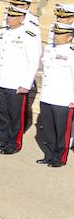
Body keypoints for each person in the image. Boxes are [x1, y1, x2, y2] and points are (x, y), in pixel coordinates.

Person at [0, 7, 41, 155]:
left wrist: (26, 84)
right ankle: (2, 140)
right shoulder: (3, 32)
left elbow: (33, 61)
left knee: (15, 115)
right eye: (8, 15)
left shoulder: (28, 35)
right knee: (2, 113)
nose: (8, 18)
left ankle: (14, 143)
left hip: (16, 83)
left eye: (13, 16)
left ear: (22, 18)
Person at [35, 22, 74, 167]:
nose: (55, 36)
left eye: (59, 34)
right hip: (47, 96)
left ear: (69, 37)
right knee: (49, 129)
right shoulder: (49, 49)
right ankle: (49, 154)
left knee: (62, 131)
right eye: (55, 33)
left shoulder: (71, 52)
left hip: (64, 98)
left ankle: (59, 158)